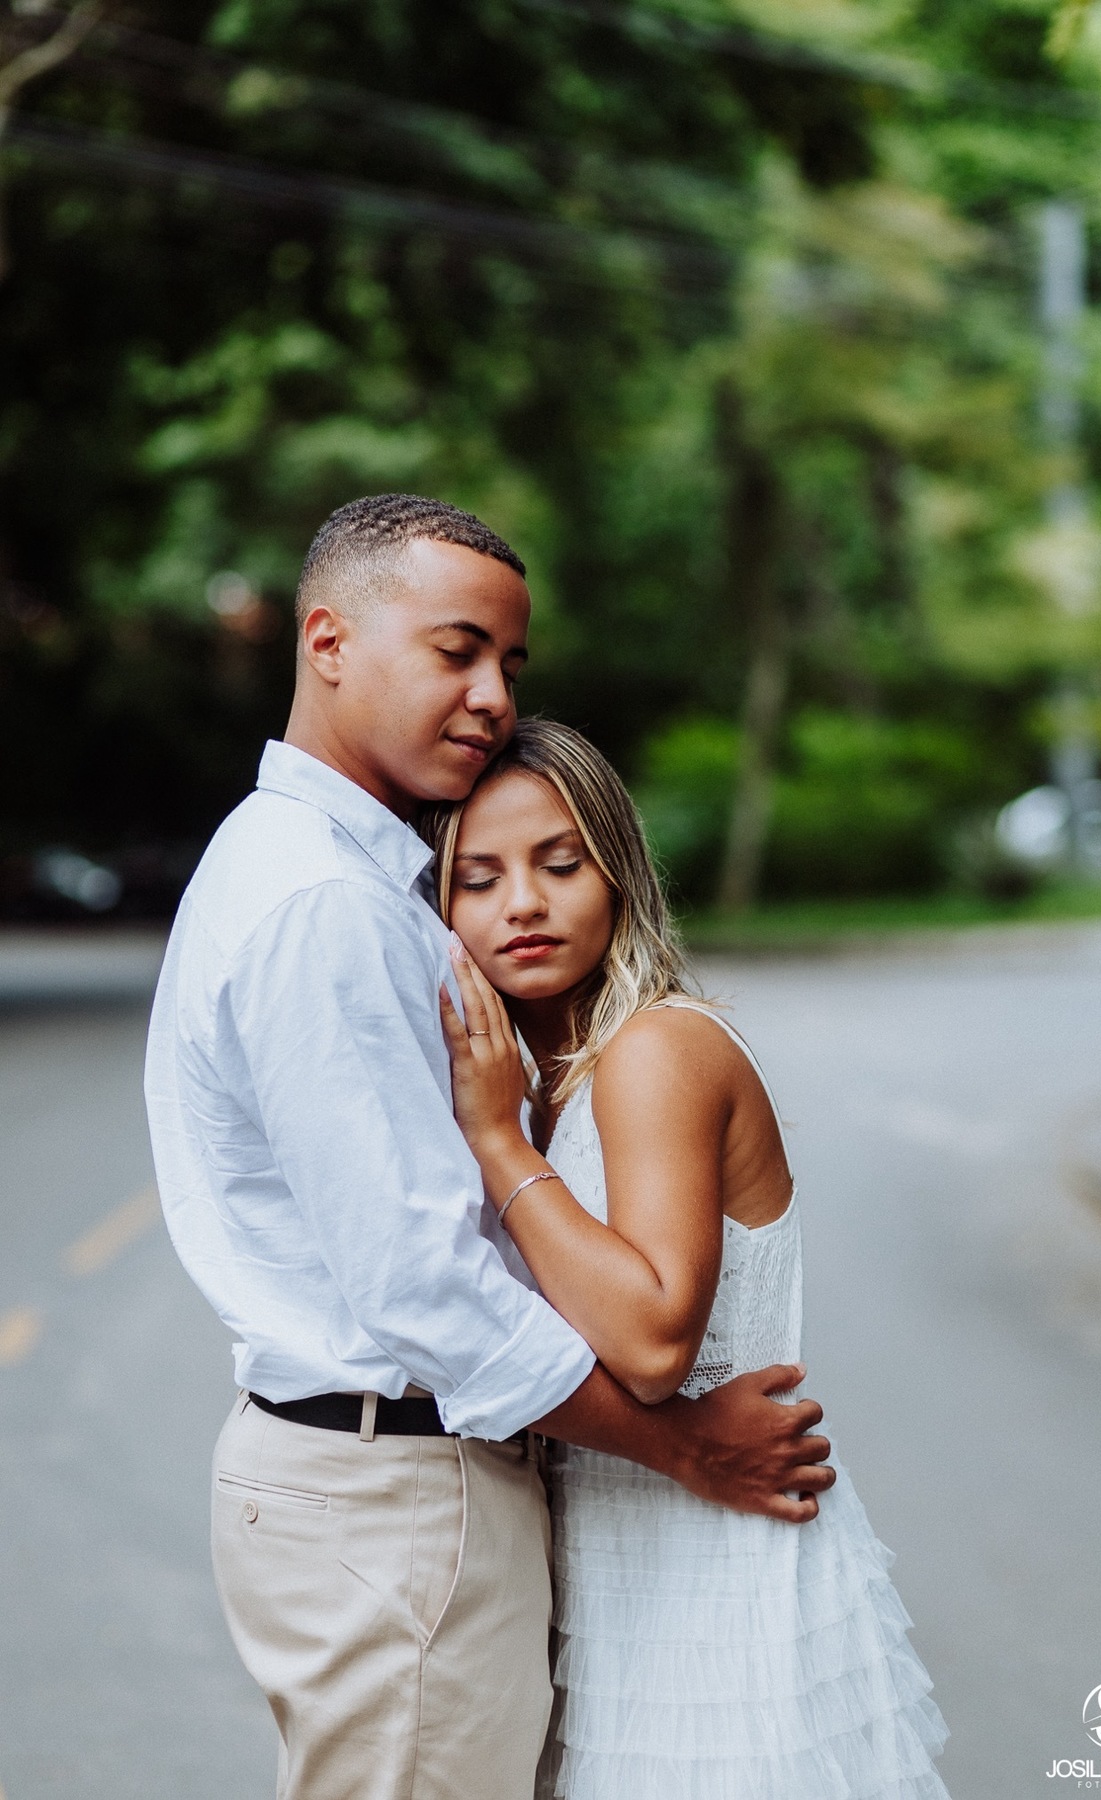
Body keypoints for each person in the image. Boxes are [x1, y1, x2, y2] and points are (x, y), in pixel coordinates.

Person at [143, 494, 835, 1800]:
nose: (491, 696)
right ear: (329, 640)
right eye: (458, 650)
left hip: (395, 1482)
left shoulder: (323, 869)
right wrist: (685, 1446)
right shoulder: (324, 905)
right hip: (393, 1490)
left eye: (510, 664)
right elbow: (419, 1285)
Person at [432, 717, 952, 1800]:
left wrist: (496, 1143)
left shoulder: (654, 1051)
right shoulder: (552, 1075)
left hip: (711, 1581)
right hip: (617, 1573)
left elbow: (656, 1338)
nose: (521, 903)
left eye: (559, 863)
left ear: (619, 873)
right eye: (477, 879)